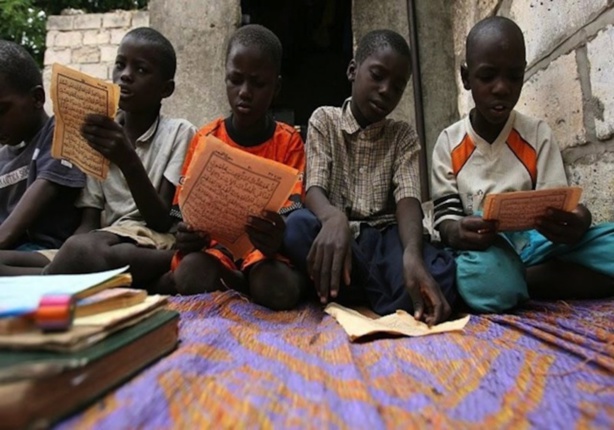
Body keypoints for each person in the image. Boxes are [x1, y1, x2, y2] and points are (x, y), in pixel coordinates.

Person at [431, 16, 614, 313]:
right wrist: (456, 231)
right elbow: (447, 223)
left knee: (610, 244)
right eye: (487, 76)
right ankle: (536, 280)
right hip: (487, 250)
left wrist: (577, 220)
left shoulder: (537, 133)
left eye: (514, 76)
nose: (502, 88)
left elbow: (557, 202)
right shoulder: (449, 143)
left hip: (536, 244)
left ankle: (522, 281)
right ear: (466, 78)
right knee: (483, 276)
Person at [283, 29, 456, 325]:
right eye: (377, 75)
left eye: (397, 86)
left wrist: (412, 255)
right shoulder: (324, 120)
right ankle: (384, 294)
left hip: (382, 238)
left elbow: (408, 198)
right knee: (297, 227)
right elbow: (313, 188)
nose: (386, 89)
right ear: (353, 70)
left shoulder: (403, 135)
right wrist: (333, 218)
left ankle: (345, 289)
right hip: (335, 235)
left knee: (442, 273)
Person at [158, 24, 306, 311]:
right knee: (190, 273)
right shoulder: (206, 139)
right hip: (215, 249)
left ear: (275, 87)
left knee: (278, 289)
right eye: (235, 80)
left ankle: (248, 282)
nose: (244, 92)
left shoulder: (288, 142)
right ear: (225, 78)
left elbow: (294, 205)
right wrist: (183, 230)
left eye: (258, 83)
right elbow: (179, 207)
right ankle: (239, 282)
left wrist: (279, 230)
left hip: (264, 251)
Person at [42, 27, 196, 285]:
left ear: (165, 89)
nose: (125, 76)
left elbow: (160, 220)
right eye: (120, 65)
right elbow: (89, 220)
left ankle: (53, 279)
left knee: (84, 253)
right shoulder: (101, 134)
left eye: (141, 70)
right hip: (104, 241)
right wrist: (70, 251)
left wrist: (127, 159)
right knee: (72, 251)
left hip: (151, 240)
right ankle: (66, 274)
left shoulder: (181, 133)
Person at [0, 40, 85, 275]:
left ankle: (64, 281)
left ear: (37, 98)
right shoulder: (4, 157)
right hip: (12, 252)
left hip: (46, 251)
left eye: (1, 110)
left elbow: (7, 234)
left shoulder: (61, 134)